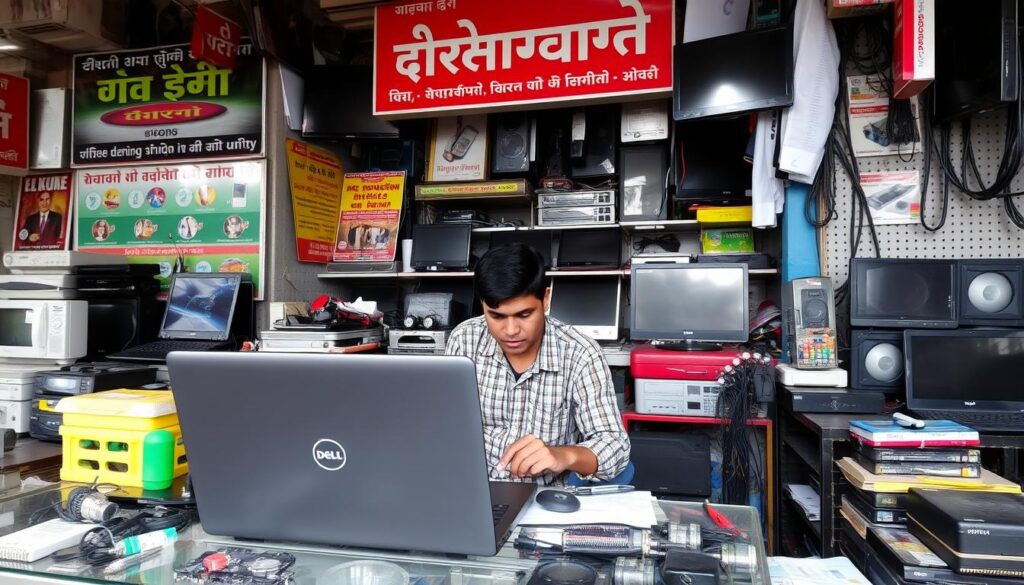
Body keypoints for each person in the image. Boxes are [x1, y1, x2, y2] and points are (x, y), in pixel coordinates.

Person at [446, 243, 630, 486]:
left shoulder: (579, 353)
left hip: (544, 499)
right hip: (470, 489)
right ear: (482, 305)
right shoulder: (464, 340)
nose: (511, 331)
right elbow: (446, 426)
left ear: (545, 299)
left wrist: (562, 455)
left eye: (524, 315)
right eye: (496, 316)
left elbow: (615, 446)